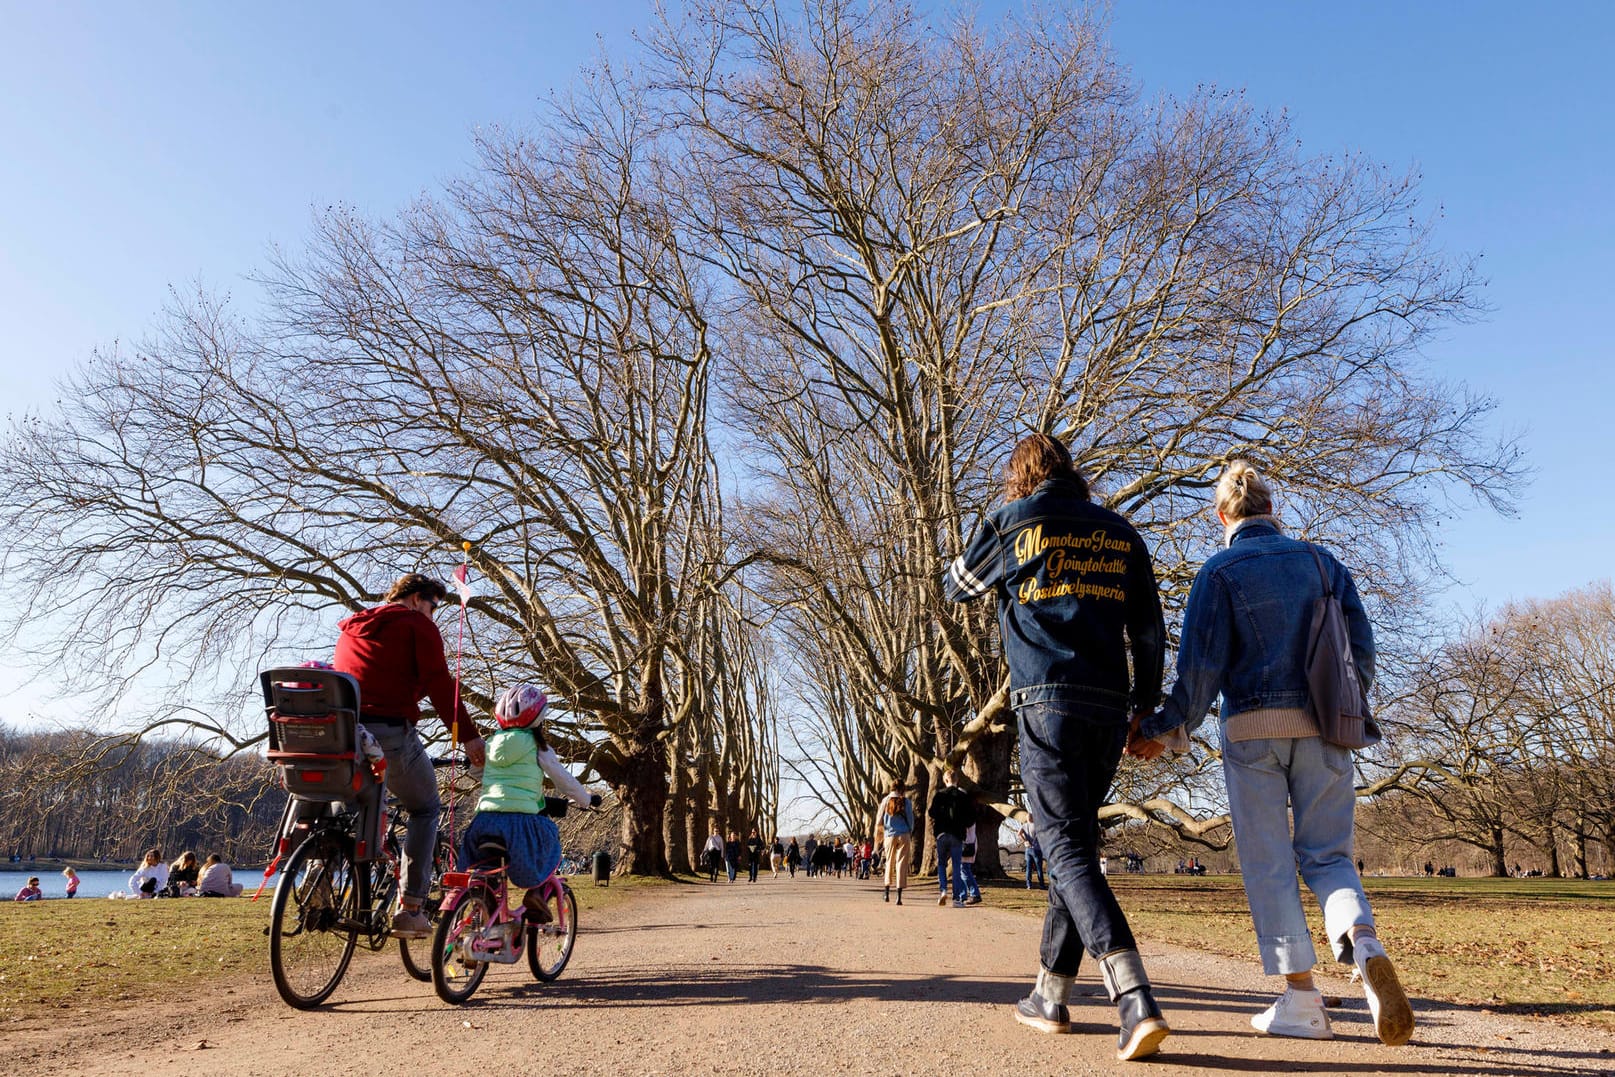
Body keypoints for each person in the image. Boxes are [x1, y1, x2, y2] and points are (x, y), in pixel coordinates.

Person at [1130, 461, 1414, 1047]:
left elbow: (1201, 672)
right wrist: (1349, 711)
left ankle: (1302, 998)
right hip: (1326, 728)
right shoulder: (1323, 563)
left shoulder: (1219, 571)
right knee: (1329, 857)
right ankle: (1364, 943)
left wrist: (1164, 728)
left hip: (1253, 731)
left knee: (1269, 864)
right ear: (1270, 508)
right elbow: (1360, 651)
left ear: (1221, 515)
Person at [943, 432, 1169, 1061]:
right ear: (1074, 473)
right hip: (1106, 705)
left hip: (1046, 699)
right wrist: (1144, 709)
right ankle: (1050, 993)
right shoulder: (1121, 533)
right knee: (1074, 842)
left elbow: (955, 586)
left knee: (1064, 846)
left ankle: (1134, 997)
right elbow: (1148, 630)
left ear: (1022, 475)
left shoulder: (1013, 521)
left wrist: (992, 527)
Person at [333, 572, 486, 939]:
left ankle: (319, 881)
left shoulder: (353, 627)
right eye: (434, 606)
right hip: (387, 734)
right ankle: (411, 908)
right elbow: (439, 683)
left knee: (344, 808)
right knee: (426, 808)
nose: (434, 614)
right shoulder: (417, 624)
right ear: (418, 598)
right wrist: (468, 736)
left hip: (343, 734)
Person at [459, 685, 601, 922]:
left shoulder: (490, 744)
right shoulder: (538, 747)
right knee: (549, 840)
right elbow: (563, 780)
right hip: (521, 823)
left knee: (483, 870)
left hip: (484, 821)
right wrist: (586, 799)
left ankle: (485, 908)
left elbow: (477, 772)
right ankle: (536, 892)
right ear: (539, 718)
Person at [928, 768, 973, 907]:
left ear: (945, 780)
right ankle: (956, 899)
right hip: (957, 834)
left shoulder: (939, 795)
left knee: (941, 864)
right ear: (957, 780)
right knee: (956, 865)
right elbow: (970, 819)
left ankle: (943, 890)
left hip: (942, 834)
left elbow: (931, 813)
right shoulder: (963, 796)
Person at [875, 779, 914, 905]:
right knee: (901, 864)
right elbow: (910, 819)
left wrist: (879, 836)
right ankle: (899, 896)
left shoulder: (885, 801)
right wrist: (909, 831)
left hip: (890, 835)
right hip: (904, 835)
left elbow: (879, 820)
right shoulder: (906, 801)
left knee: (889, 862)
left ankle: (886, 892)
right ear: (902, 788)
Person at [959, 824, 983, 906]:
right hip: (967, 844)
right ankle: (962, 896)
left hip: (966, 846)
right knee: (962, 871)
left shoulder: (967, 818)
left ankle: (975, 894)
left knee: (964, 870)